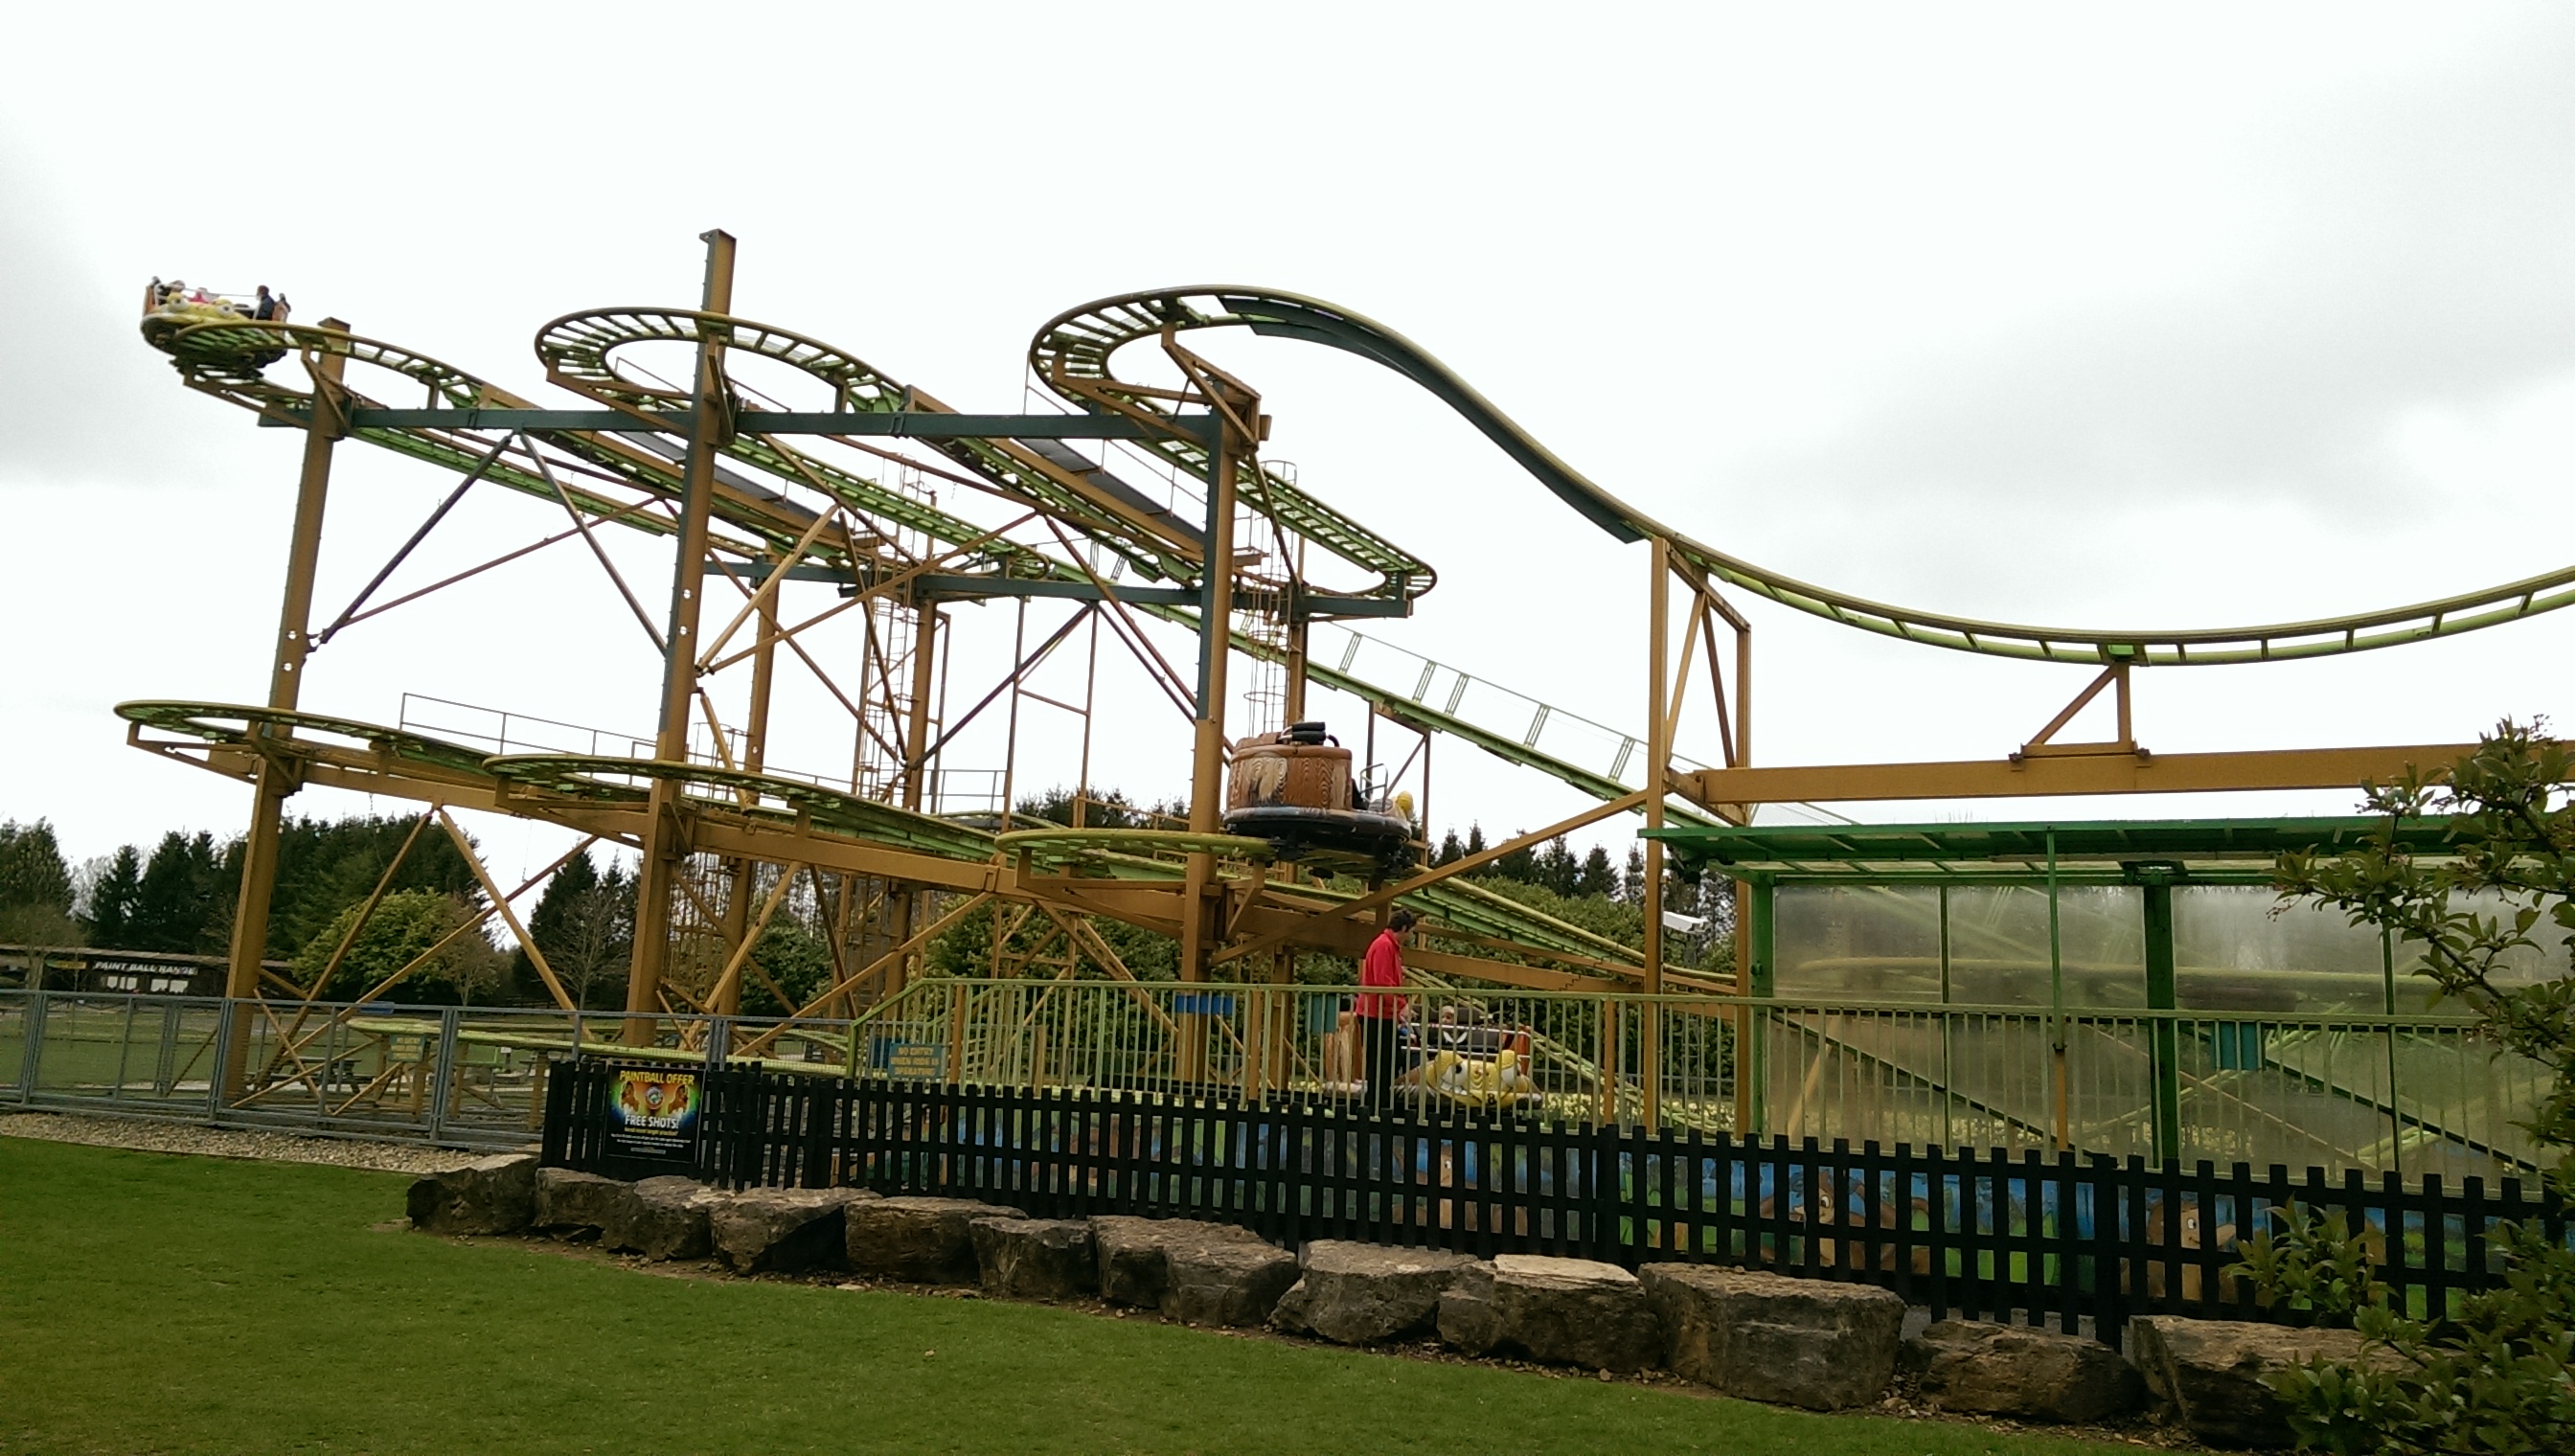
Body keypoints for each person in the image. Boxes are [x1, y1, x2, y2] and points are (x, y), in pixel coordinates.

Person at [1356, 907, 1416, 1110]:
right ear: (1404, 928)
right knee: (1381, 1063)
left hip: (1382, 1012)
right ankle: (1375, 1106)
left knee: (1389, 1060)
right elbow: (1383, 981)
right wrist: (1401, 1005)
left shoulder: (1388, 946)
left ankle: (1378, 1103)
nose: (1411, 936)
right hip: (1376, 1013)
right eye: (1411, 931)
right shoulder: (1384, 946)